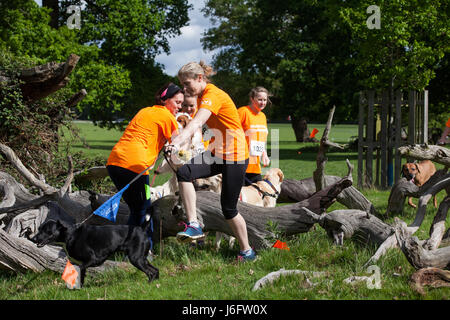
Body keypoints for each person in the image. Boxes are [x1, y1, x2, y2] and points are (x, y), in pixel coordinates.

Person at [166, 61, 256, 261]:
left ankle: (247, 251)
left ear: (200, 78)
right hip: (218, 152)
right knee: (184, 173)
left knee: (229, 210)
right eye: (182, 84)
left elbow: (197, 121)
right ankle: (194, 224)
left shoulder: (213, 96)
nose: (185, 88)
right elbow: (205, 128)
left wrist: (178, 140)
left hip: (236, 156)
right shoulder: (201, 96)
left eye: (187, 83)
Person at [106, 83, 183, 251]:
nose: (180, 107)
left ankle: (128, 248)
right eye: (177, 102)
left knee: (137, 209)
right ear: (165, 100)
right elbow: (179, 145)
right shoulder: (167, 116)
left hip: (114, 162)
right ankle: (143, 249)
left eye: (181, 103)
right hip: (136, 166)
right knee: (144, 209)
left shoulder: (145, 110)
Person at [238, 87, 271, 186]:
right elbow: (231, 132)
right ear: (252, 99)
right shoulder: (243, 112)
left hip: (255, 166)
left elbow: (261, 139)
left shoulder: (262, 116)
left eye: (265, 100)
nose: (263, 102)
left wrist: (264, 154)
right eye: (260, 99)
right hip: (241, 164)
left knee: (258, 195)